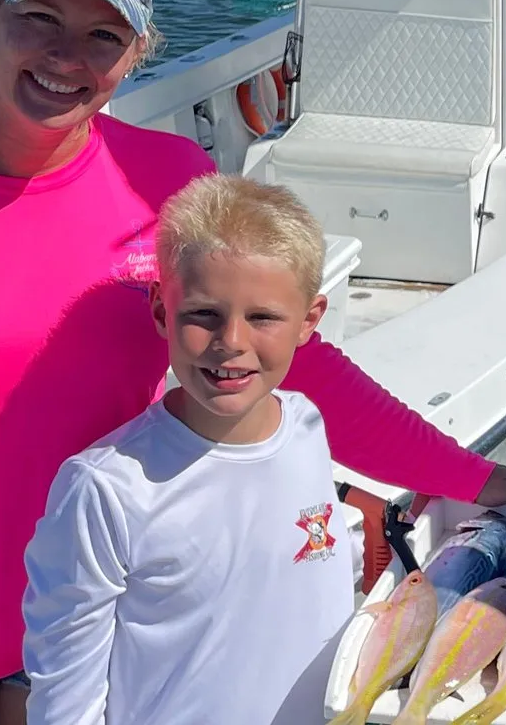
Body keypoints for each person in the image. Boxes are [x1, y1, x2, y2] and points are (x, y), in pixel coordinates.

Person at [0, 0, 506, 725]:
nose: (67, 57)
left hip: (113, 626)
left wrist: (469, 476)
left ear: (139, 53)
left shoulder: (167, 179)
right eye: (40, 19)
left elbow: (290, 362)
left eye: (106, 36)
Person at [23, 174, 355, 725]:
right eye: (203, 313)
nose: (232, 342)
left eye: (264, 317)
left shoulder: (307, 426)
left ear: (309, 321)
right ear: (161, 311)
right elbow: (65, 694)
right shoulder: (105, 487)